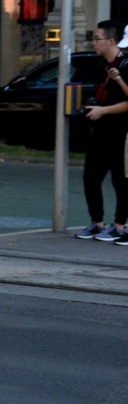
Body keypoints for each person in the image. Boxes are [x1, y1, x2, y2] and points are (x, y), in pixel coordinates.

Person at [76, 20, 128, 242]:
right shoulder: (101, 65)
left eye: (97, 39)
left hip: (120, 130)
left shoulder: (125, 64)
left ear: (111, 40)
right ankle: (97, 223)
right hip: (101, 129)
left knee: (120, 180)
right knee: (91, 176)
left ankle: (119, 226)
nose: (93, 43)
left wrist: (103, 110)